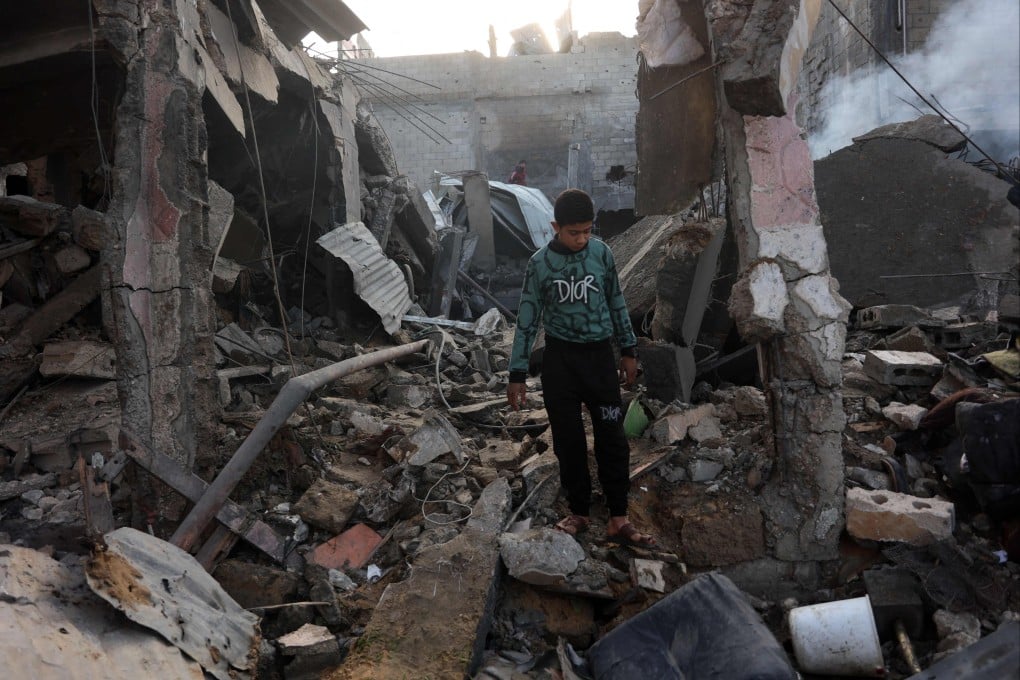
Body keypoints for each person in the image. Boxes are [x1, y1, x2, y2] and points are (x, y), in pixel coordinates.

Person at [506, 188, 656, 548]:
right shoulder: (540, 264)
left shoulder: (602, 254)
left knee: (612, 437)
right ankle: (579, 511)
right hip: (560, 363)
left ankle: (618, 516)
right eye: (574, 232)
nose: (582, 239)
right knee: (568, 441)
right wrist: (517, 373)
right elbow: (527, 319)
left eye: (588, 231)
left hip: (599, 360)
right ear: (555, 227)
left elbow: (616, 302)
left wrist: (629, 350)